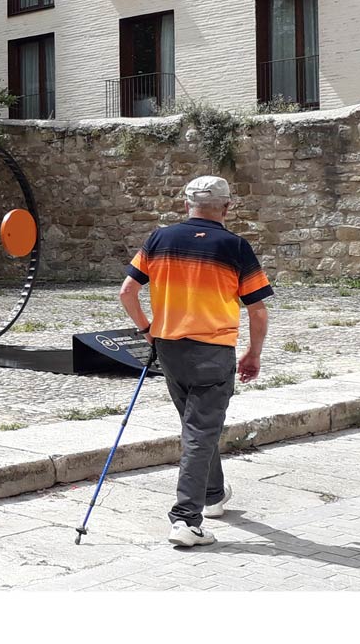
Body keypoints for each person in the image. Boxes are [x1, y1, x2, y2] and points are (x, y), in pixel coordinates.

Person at [118, 175, 273, 547]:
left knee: (197, 426)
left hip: (169, 348)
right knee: (200, 431)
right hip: (213, 351)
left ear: (185, 203)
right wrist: (253, 352)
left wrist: (146, 329)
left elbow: (127, 292)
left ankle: (213, 494)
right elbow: (259, 312)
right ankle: (186, 519)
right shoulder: (235, 246)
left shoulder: (159, 239)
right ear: (227, 206)